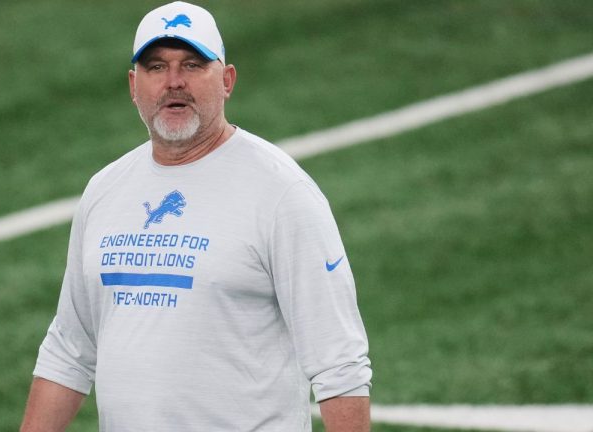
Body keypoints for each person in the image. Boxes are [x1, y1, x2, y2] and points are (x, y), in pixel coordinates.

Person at [20, 2, 372, 431]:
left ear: (227, 81)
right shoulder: (104, 191)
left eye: (191, 64)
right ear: (134, 85)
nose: (173, 82)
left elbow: (340, 364)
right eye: (156, 67)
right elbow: (69, 350)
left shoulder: (282, 194)